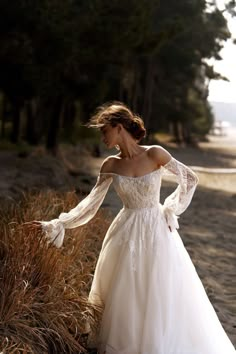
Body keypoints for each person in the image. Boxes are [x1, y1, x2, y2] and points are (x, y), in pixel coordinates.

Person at [36, 102, 236, 354]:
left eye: (105, 130)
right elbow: (90, 205)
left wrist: (170, 209)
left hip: (157, 230)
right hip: (125, 231)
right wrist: (58, 223)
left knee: (158, 287)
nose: (102, 136)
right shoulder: (110, 165)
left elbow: (189, 178)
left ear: (119, 128)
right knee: (125, 290)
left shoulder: (155, 154)